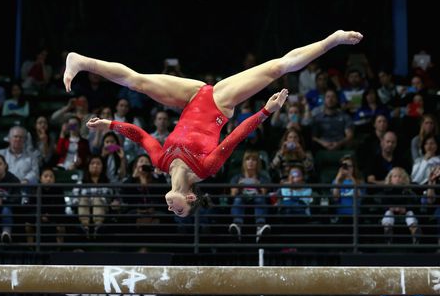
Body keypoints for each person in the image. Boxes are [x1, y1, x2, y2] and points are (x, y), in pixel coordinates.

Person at [64, 30, 363, 217]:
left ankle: (80, 60)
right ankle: (332, 40)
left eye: (171, 210)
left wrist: (110, 124)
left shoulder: (161, 163)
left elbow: (141, 136)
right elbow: (235, 138)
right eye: (178, 210)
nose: (171, 207)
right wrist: (266, 113)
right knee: (277, 68)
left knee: (137, 82)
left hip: (191, 95)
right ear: (190, 198)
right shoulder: (205, 169)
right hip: (219, 103)